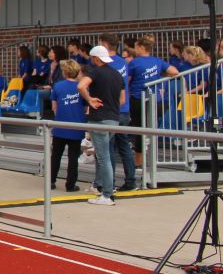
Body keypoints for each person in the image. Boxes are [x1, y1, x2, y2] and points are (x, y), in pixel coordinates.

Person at [77, 45, 124, 206]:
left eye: (92, 58)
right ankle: (102, 187)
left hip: (99, 118)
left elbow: (81, 86)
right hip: (114, 118)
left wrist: (89, 99)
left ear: (96, 59)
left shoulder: (95, 72)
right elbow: (122, 99)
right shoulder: (117, 74)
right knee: (103, 155)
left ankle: (107, 194)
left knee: (103, 158)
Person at [128, 35, 179, 165]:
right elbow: (175, 72)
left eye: (135, 47)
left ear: (141, 47)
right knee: (149, 128)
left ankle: (138, 162)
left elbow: (127, 81)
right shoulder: (157, 61)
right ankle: (147, 158)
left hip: (138, 98)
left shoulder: (134, 62)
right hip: (154, 99)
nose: (135, 50)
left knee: (139, 129)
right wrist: (160, 75)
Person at [98, 33, 135, 191]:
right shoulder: (123, 62)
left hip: (112, 109)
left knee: (109, 148)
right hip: (124, 108)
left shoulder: (105, 64)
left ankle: (109, 183)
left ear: (105, 45)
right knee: (124, 146)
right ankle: (131, 181)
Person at [50, 60, 86, 192]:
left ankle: (51, 181)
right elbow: (85, 107)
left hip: (60, 125)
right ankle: (70, 185)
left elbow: (54, 107)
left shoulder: (58, 86)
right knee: (73, 158)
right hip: (76, 126)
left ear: (65, 72)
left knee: (56, 156)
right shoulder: (82, 87)